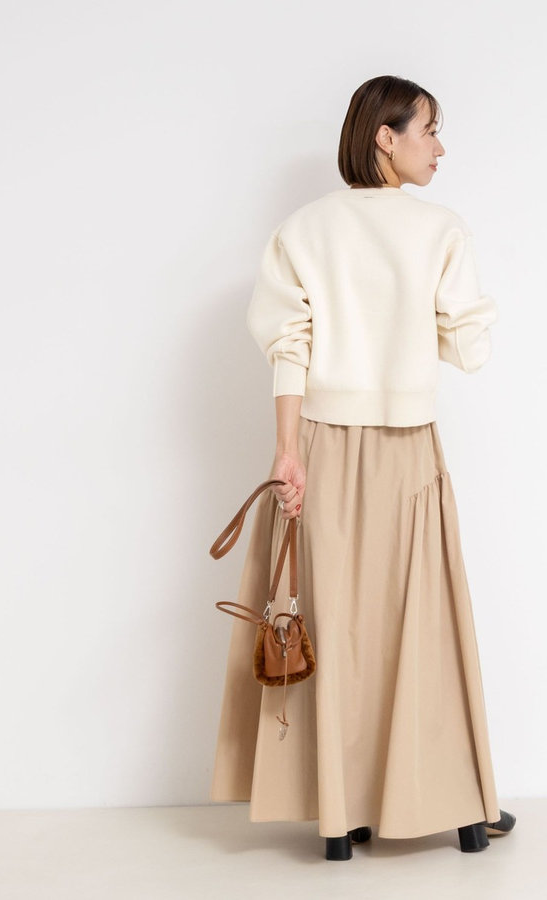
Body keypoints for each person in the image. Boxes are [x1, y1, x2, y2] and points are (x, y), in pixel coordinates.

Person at [209, 74, 516, 861]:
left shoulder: (303, 230)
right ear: (386, 135)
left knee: (334, 620)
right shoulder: (442, 228)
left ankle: (339, 815)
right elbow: (470, 347)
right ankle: (457, 803)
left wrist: (288, 453)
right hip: (408, 445)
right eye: (429, 130)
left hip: (319, 442)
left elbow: (290, 347)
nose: (440, 148)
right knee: (423, 623)